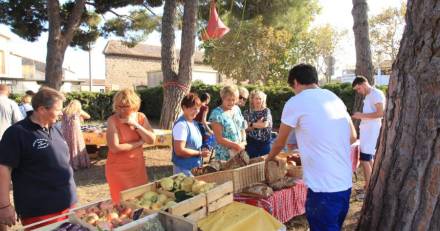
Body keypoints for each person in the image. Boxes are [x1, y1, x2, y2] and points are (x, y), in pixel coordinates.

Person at [265, 64, 357, 231]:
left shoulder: (296, 101)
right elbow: (352, 137)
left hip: (323, 188)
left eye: (292, 87)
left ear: (295, 82)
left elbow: (279, 143)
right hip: (344, 183)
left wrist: (269, 159)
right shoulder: (333, 97)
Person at [0, 87, 77, 229]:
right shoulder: (17, 133)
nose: (61, 113)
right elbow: (3, 169)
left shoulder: (55, 128)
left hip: (68, 205)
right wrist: (4, 205)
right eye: (58, 109)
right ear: (42, 109)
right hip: (41, 210)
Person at [105, 89, 156, 204]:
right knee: (122, 204)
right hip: (118, 170)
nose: (121, 110)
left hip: (137, 168)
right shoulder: (112, 120)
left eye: (126, 106)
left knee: (141, 201)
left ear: (134, 105)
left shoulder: (140, 117)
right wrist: (138, 143)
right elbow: (115, 148)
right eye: (119, 106)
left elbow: (151, 140)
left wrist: (135, 124)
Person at [351, 76, 386, 190]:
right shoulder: (369, 95)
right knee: (368, 159)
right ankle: (370, 186)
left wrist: (361, 115)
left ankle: (368, 188)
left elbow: (380, 113)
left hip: (372, 132)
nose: (358, 92)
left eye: (358, 89)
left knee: (364, 159)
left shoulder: (375, 94)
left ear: (363, 84)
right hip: (368, 132)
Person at [172, 93, 211, 176]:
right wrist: (200, 153)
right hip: (183, 171)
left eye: (198, 109)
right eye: (194, 109)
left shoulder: (194, 123)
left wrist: (204, 147)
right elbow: (179, 151)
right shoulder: (181, 125)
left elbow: (197, 143)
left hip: (194, 169)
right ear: (184, 108)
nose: (196, 111)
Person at [209, 85, 247, 161]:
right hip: (224, 156)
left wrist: (243, 142)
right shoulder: (216, 114)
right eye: (228, 100)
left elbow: (242, 128)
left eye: (234, 100)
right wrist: (236, 146)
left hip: (239, 152)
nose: (231, 102)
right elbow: (219, 139)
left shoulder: (237, 109)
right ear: (222, 98)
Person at [61, 100, 91, 170]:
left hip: (66, 132)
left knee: (68, 146)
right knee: (77, 145)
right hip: (76, 132)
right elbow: (88, 116)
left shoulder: (64, 110)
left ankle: (68, 163)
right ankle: (79, 163)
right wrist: (81, 116)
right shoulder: (78, 111)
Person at [243, 90, 273, 158]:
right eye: (256, 98)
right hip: (251, 141)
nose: (258, 100)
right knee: (251, 161)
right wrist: (257, 124)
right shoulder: (247, 112)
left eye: (260, 99)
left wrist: (251, 124)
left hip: (265, 141)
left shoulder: (266, 111)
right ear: (252, 100)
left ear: (263, 100)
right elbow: (245, 128)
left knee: (265, 161)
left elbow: (264, 125)